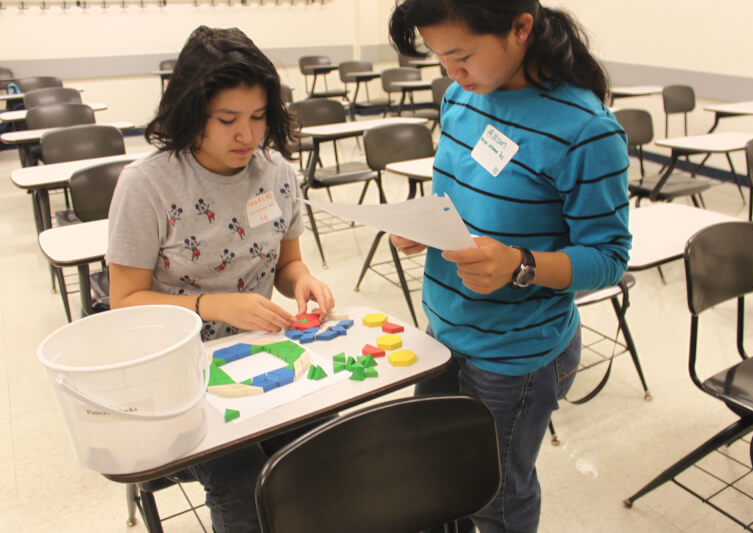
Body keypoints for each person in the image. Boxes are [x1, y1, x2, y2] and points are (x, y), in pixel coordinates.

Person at [388, 2, 632, 532]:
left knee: (494, 496)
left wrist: (520, 264)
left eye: (461, 56)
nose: (452, 74)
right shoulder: (462, 96)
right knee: (434, 477)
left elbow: (610, 259)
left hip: (515, 353)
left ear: (520, 29)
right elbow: (460, 197)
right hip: (445, 327)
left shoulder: (586, 131)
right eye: (440, 59)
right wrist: (425, 224)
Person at [107, 26, 334, 532]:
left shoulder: (275, 171)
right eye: (228, 120)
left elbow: (286, 265)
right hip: (178, 374)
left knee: (330, 447)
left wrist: (304, 282)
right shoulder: (147, 186)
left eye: (258, 118)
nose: (247, 136)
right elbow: (123, 302)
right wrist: (211, 305)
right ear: (191, 114)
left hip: (263, 352)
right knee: (241, 478)